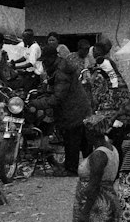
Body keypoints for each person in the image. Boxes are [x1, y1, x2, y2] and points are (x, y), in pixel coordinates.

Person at [64, 118, 120, 222]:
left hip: (96, 204)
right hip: (106, 198)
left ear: (91, 133)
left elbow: (94, 185)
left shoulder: (98, 155)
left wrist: (86, 211)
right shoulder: (112, 149)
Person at [40, 43, 93, 175]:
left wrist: (39, 103)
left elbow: (58, 97)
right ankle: (89, 167)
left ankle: (71, 169)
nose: (44, 63)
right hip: (77, 107)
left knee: (72, 140)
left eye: (45, 60)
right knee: (80, 140)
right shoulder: (59, 68)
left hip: (74, 109)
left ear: (52, 58)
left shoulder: (62, 71)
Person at [89, 41, 130, 122]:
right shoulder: (108, 62)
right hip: (118, 96)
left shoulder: (102, 62)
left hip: (113, 96)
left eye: (95, 50)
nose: (94, 53)